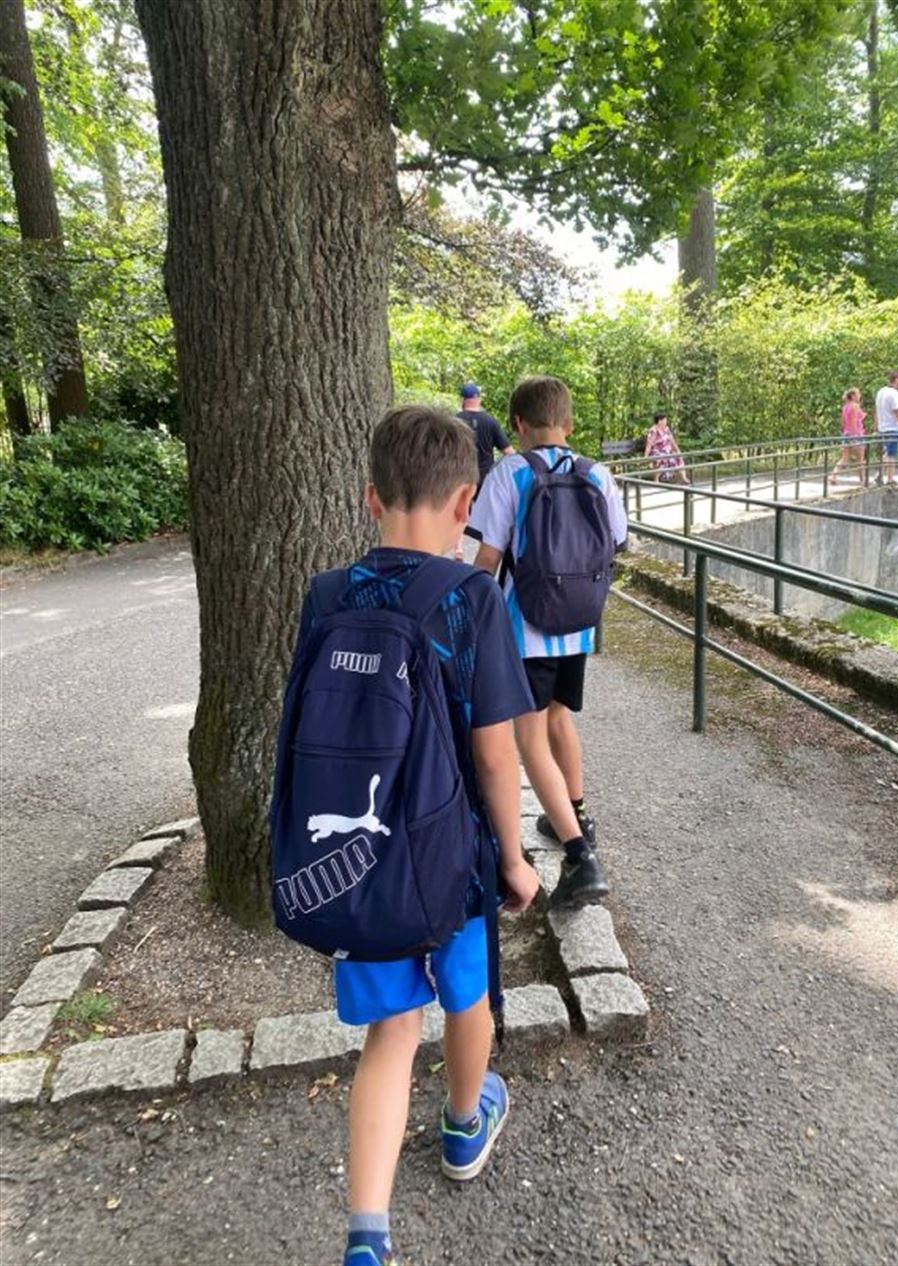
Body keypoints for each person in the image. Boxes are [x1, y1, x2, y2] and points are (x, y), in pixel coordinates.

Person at [303, 406, 539, 1266]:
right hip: (454, 858)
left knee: (391, 1033)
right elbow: (495, 752)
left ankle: (367, 1233)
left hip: (360, 859)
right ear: (467, 502)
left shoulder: (327, 595)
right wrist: (513, 857)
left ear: (371, 498)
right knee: (466, 998)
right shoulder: (472, 598)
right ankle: (465, 1124)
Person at [467, 376, 628, 909]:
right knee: (560, 717)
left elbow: (487, 559)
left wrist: (468, 620)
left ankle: (580, 857)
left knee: (529, 735)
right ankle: (574, 814)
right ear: (569, 424)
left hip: (526, 628)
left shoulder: (510, 474)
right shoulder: (598, 474)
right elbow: (616, 542)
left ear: (517, 424)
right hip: (580, 624)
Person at [456, 383, 515, 492]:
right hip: (485, 480)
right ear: (479, 399)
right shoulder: (490, 421)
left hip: (461, 478)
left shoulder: (455, 421)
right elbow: (509, 453)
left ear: (463, 400)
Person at [874, 371, 898, 486]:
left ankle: (879, 474)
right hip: (892, 428)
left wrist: (876, 427)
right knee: (891, 454)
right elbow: (897, 411)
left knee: (886, 453)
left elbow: (876, 410)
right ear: (896, 379)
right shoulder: (894, 393)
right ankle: (890, 479)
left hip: (882, 428)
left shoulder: (881, 392)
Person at [830, 388, 867, 486]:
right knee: (860, 459)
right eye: (858, 394)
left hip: (846, 434)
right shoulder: (855, 406)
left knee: (844, 458)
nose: (859, 396)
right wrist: (856, 435)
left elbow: (843, 422)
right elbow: (854, 421)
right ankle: (862, 480)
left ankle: (834, 475)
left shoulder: (845, 407)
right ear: (853, 396)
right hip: (856, 434)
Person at [645, 411, 689, 484]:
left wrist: (678, 450)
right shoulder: (653, 431)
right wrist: (646, 457)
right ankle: (656, 479)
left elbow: (672, 441)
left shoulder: (666, 429)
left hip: (667, 450)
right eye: (664, 420)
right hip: (656, 451)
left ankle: (684, 478)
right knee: (662, 457)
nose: (666, 421)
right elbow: (649, 444)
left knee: (677, 457)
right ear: (659, 421)